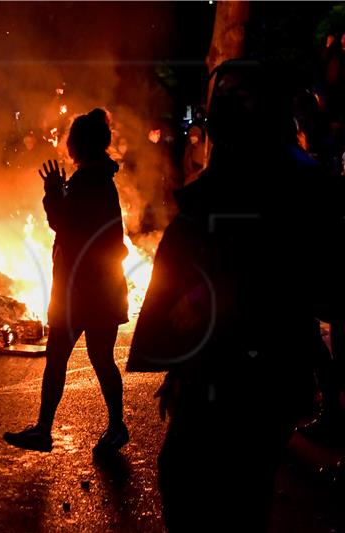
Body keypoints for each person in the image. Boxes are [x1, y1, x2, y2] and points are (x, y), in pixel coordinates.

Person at [127, 60, 343, 532]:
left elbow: (300, 277)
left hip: (245, 377)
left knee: (207, 490)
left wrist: (210, 303)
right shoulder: (292, 182)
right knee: (228, 494)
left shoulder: (274, 185)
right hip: (254, 377)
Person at [4, 108, 129, 455]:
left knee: (66, 357)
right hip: (99, 286)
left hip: (83, 288)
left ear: (79, 144)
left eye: (71, 139)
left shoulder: (90, 182)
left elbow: (66, 226)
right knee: (95, 358)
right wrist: (60, 191)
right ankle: (108, 426)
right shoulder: (98, 178)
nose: (67, 145)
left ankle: (54, 428)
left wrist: (52, 193)